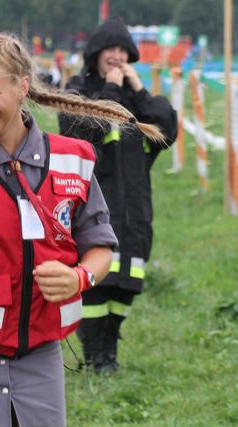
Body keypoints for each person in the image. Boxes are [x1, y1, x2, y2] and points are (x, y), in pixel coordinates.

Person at [0, 32, 167, 426]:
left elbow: (101, 247)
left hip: (40, 352)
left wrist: (80, 277)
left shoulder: (73, 159)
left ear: (22, 87)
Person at [58, 17, 178, 375]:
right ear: (95, 54)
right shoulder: (79, 88)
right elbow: (78, 131)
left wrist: (138, 90)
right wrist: (109, 90)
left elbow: (166, 131)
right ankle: (96, 352)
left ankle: (108, 346)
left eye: (123, 49)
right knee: (96, 280)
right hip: (96, 205)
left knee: (128, 280)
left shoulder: (136, 99)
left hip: (136, 207)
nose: (116, 55)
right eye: (109, 48)